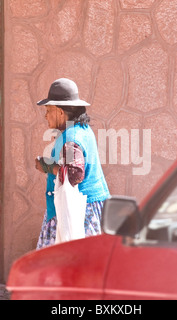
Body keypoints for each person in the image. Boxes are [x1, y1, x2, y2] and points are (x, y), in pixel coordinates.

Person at [34, 78, 110, 249]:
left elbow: (75, 174)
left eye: (48, 110)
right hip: (89, 206)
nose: (45, 115)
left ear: (60, 112)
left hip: (78, 211)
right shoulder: (82, 130)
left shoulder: (71, 137)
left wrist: (46, 166)